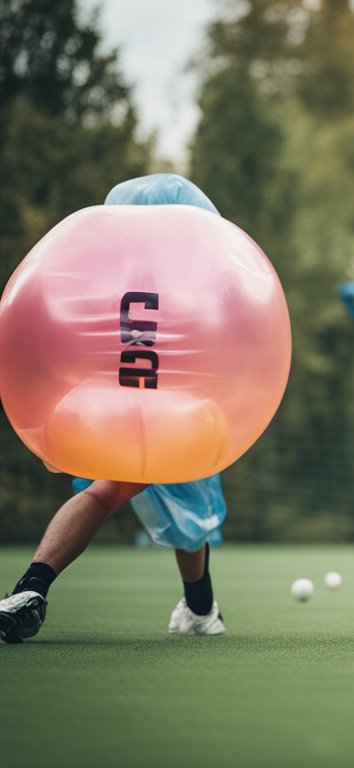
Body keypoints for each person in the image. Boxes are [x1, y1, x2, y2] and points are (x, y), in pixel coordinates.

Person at [0, 174, 231, 644]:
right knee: (180, 500)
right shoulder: (190, 278)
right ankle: (200, 609)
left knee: (121, 496)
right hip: (175, 413)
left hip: (108, 409)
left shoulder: (111, 275)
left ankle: (199, 609)